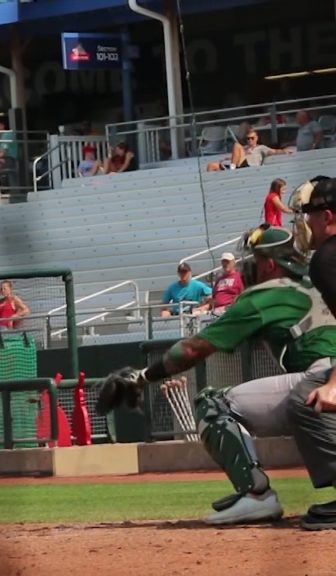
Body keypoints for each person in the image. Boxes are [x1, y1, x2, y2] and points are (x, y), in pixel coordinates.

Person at [97, 225, 336, 525]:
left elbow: (195, 348)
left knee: (213, 404)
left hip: (322, 380)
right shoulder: (319, 284)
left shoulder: (268, 294)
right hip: (327, 378)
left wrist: (142, 377)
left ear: (271, 264)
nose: (250, 266)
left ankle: (257, 495)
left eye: (256, 259)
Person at [287, 176, 336, 530]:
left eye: (310, 216)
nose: (306, 224)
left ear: (328, 216)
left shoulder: (327, 258)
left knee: (307, 400)